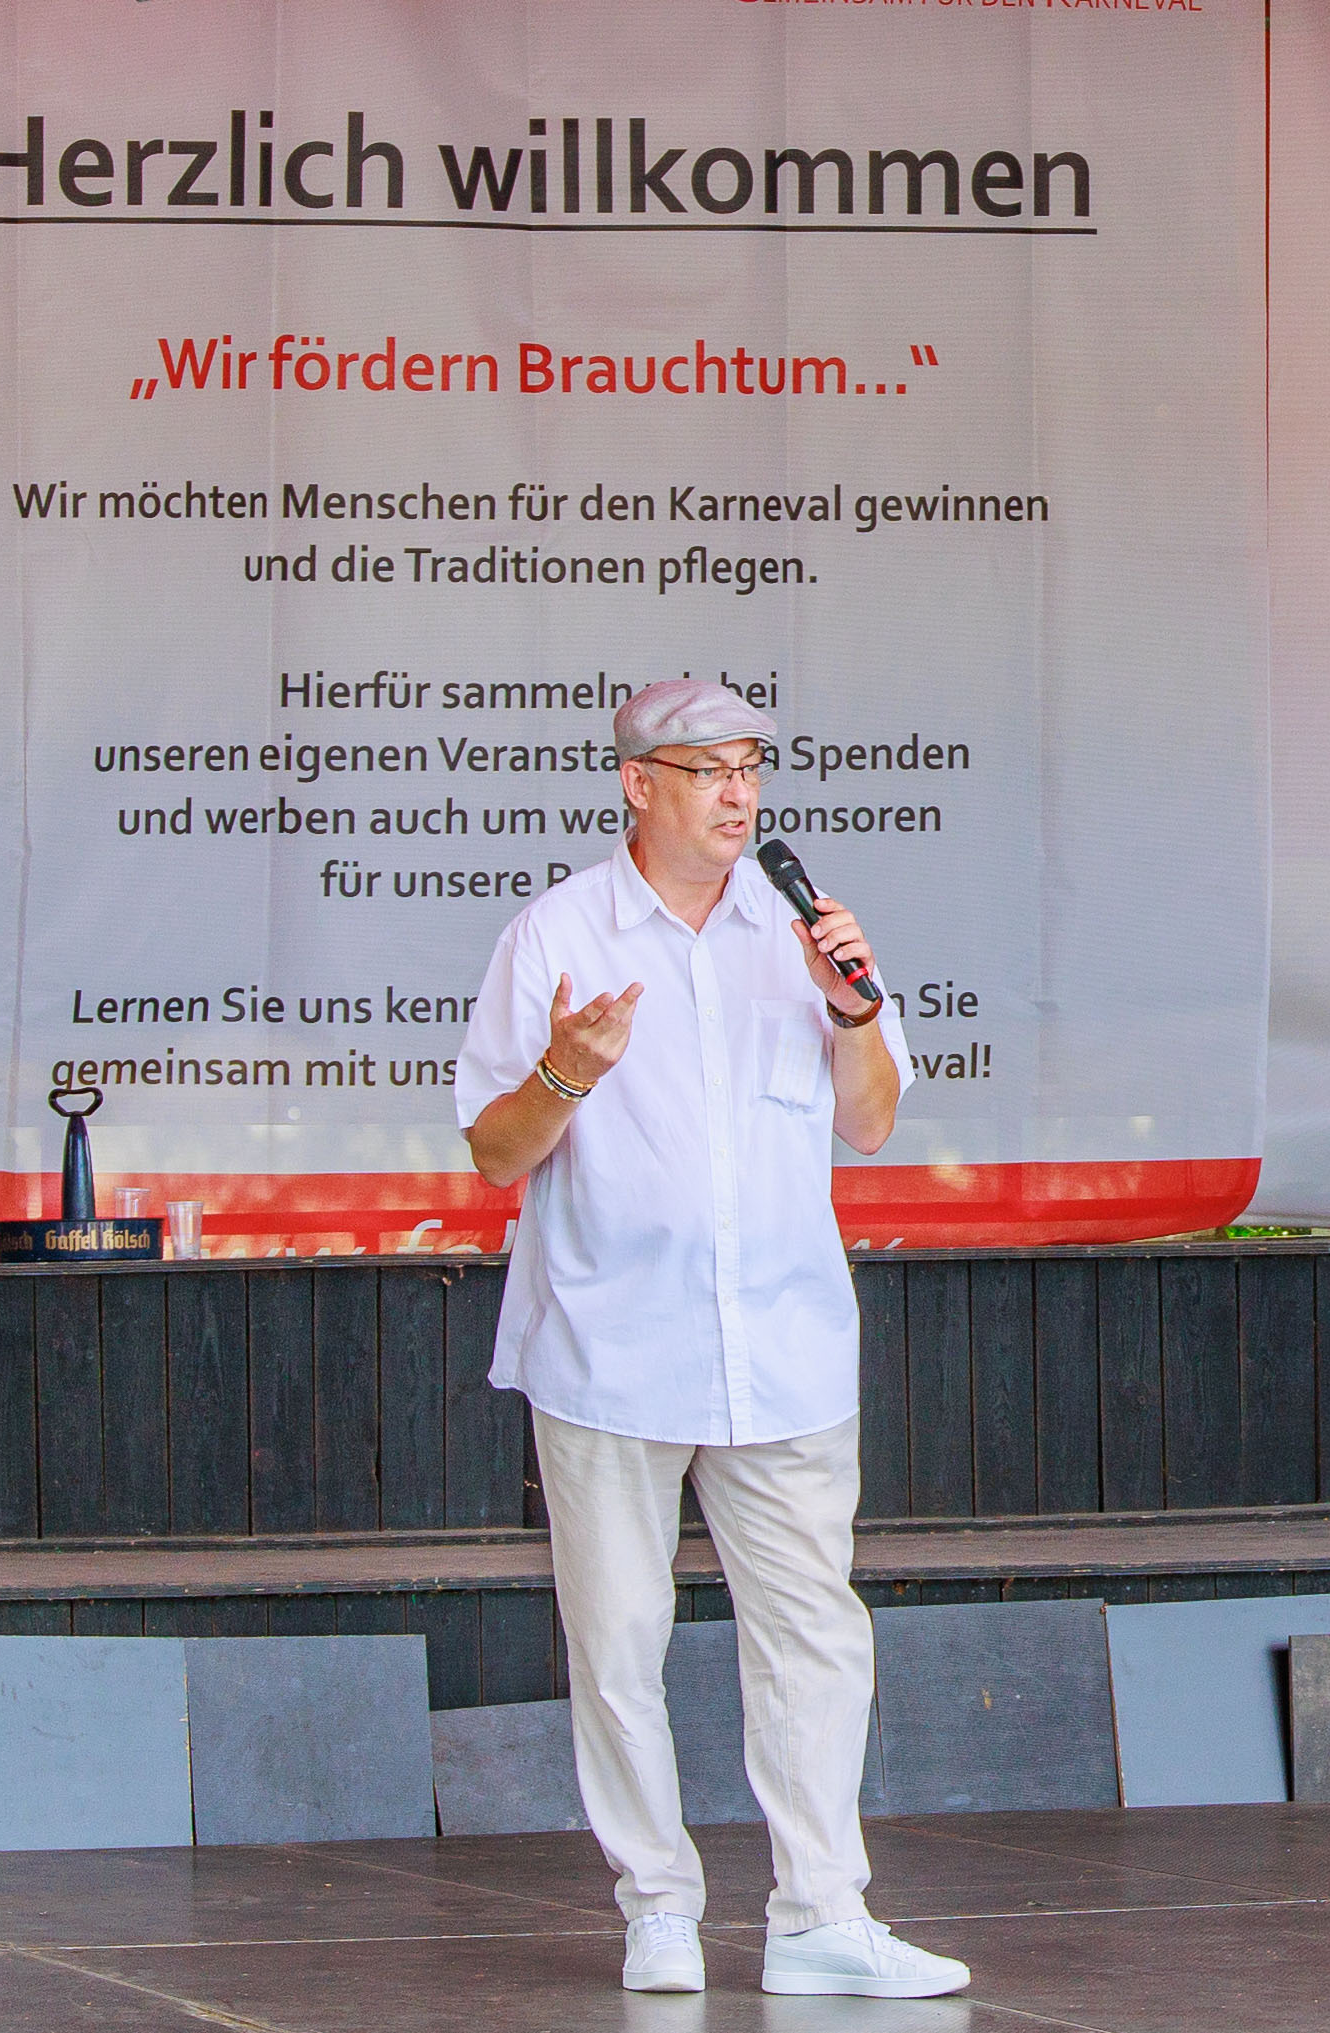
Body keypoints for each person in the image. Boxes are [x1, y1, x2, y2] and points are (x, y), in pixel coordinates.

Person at [454, 678, 969, 2001]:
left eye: (750, 767)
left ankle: (821, 1912)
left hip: (784, 1341)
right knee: (618, 1640)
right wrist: (568, 1069)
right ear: (638, 783)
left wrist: (851, 1010)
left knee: (813, 1632)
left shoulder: (802, 929)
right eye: (708, 768)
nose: (739, 793)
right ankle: (657, 1905)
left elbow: (871, 1121)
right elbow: (496, 1150)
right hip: (610, 1344)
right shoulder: (556, 931)